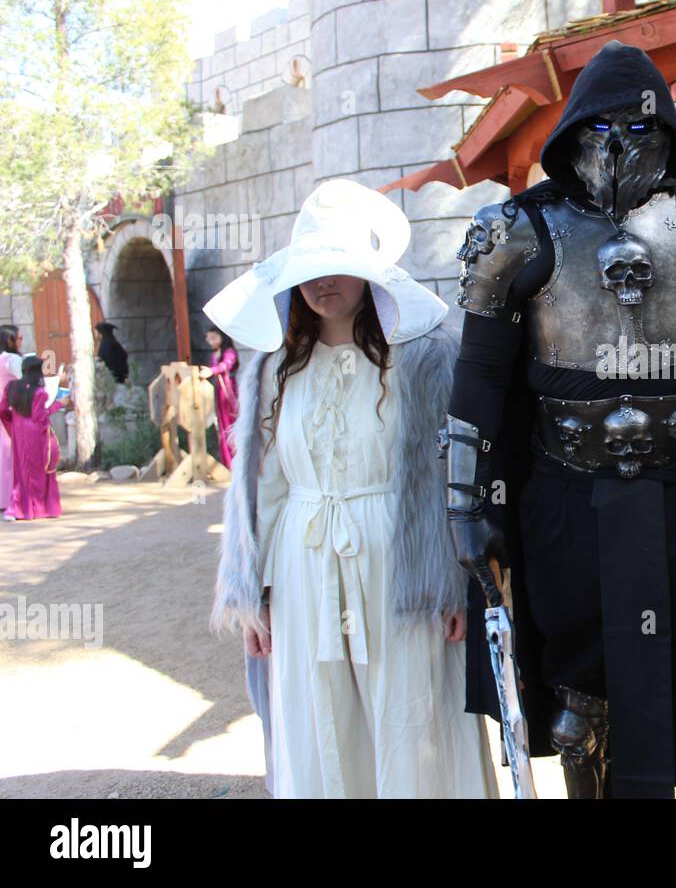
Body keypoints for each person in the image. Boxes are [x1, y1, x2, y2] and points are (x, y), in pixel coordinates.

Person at [446, 39, 676, 798]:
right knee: (577, 702)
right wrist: (466, 501)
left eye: (638, 124)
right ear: (573, 129)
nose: (620, 142)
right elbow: (481, 373)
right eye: (602, 126)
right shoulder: (518, 228)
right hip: (566, 495)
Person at [207, 179, 497, 799]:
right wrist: (252, 590)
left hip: (399, 562)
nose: (322, 283)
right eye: (309, 270)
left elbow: (452, 476)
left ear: (371, 273)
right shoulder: (272, 367)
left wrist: (456, 582)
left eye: (338, 266)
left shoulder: (424, 358)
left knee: (411, 713)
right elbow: (263, 484)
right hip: (301, 565)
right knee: (317, 719)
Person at [0, 355, 66, 522]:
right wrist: (59, 404)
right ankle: (42, 508)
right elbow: (40, 416)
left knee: (22, 471)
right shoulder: (39, 392)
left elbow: (2, 409)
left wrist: (13, 421)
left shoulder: (11, 387)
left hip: (19, 432)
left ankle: (21, 508)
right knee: (40, 469)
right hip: (36, 433)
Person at [198, 327, 240, 468]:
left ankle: (237, 461)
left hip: (228, 393)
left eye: (214, 338)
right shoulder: (214, 355)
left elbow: (226, 365)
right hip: (219, 393)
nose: (211, 342)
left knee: (231, 426)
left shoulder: (229, 352)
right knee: (222, 427)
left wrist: (211, 371)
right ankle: (228, 463)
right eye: (209, 339)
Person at [0, 325, 24, 517]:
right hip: (10, 410)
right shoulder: (12, 359)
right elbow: (25, 381)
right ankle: (11, 498)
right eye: (19, 337)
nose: (21, 340)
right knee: (10, 455)